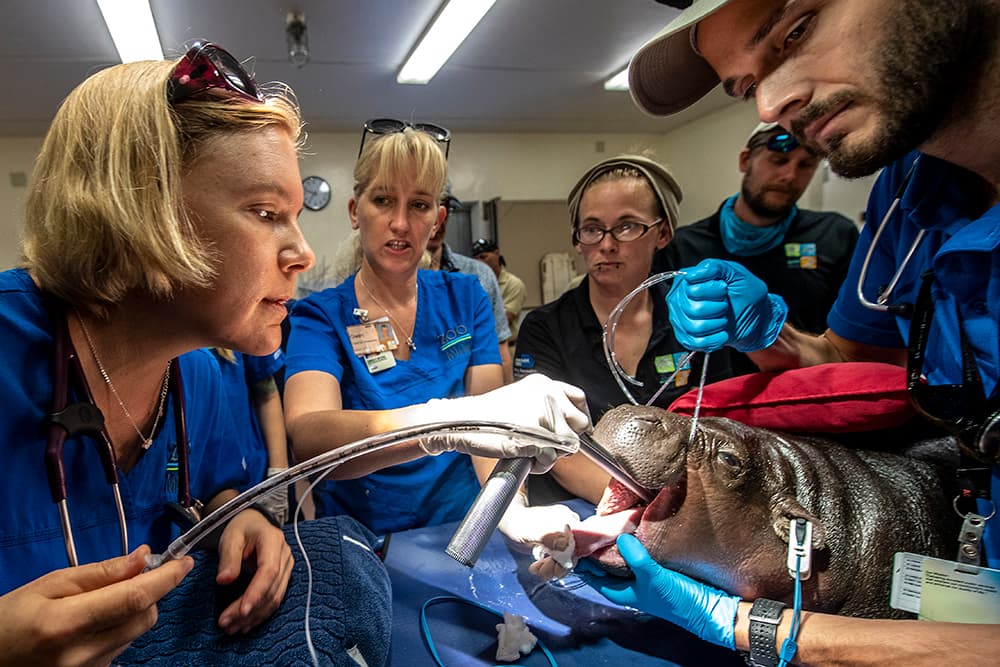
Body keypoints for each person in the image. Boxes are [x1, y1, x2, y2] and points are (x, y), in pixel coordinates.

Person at [574, 1, 1000, 665]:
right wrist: (768, 331)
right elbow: (848, 369)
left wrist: (752, 625)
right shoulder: (907, 195)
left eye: (795, 30)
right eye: (746, 86)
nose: (773, 104)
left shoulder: (842, 225)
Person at [0, 42, 311, 663]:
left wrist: (238, 521)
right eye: (266, 212)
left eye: (295, 216)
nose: (301, 251)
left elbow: (219, 486)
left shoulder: (198, 373)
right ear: (140, 207)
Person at [282, 123, 590, 536]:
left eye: (419, 205)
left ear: (438, 220)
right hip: (364, 538)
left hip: (462, 527)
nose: (400, 223)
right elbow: (311, 436)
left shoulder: (467, 296)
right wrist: (445, 421)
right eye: (383, 200)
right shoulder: (320, 316)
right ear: (356, 212)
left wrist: (507, 510)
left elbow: (491, 430)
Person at [501, 155, 739, 554]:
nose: (607, 244)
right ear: (577, 240)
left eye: (627, 226)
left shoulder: (696, 325)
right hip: (582, 517)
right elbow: (554, 450)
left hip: (688, 516)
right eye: (592, 229)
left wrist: (685, 514)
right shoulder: (547, 328)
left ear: (662, 233)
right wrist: (655, 508)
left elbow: (719, 430)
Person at [654, 121, 858, 373]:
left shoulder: (834, 235)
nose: (789, 176)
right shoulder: (683, 246)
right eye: (778, 160)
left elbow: (851, 342)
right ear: (745, 160)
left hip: (808, 390)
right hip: (714, 397)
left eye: (805, 165)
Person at [427, 183, 516, 383]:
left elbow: (501, 351)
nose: (438, 222)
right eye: (423, 207)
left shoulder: (478, 277)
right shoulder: (386, 283)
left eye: (445, 210)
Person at [209, 347, 291, 524]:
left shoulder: (238, 330)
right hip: (198, 488)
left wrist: (279, 474)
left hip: (253, 479)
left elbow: (267, 396)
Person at [472, 238, 528, 348]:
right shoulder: (474, 284)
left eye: (483, 257)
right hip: (481, 347)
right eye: (476, 259)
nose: (480, 262)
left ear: (496, 254)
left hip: (505, 347)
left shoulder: (513, 284)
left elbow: (504, 320)